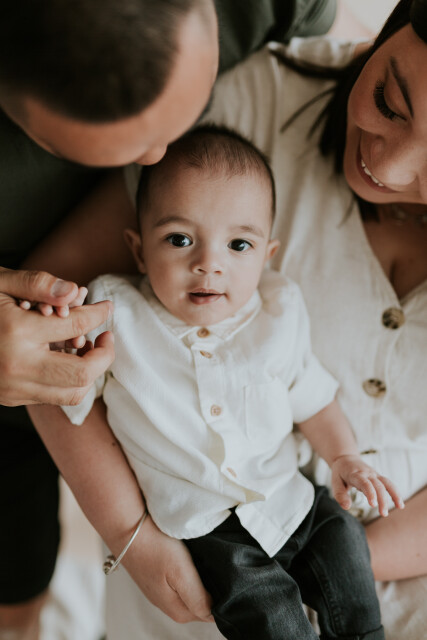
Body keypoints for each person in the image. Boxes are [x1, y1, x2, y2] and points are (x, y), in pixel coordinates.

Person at [27, 0, 427, 639]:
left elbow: (310, 392)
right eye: (388, 101)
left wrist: (328, 552)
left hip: (314, 528)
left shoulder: (278, 312)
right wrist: (131, 534)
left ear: (266, 254)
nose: (388, 166)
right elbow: (39, 347)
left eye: (239, 245)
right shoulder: (244, 111)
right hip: (191, 567)